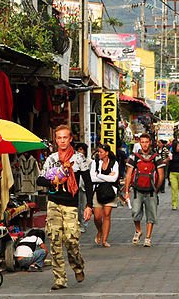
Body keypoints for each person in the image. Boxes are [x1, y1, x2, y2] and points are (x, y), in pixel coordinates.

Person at [37, 124, 93, 291]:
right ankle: (59, 278)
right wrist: (52, 181)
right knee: (54, 240)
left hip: (71, 204)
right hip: (54, 202)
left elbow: (88, 182)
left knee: (71, 240)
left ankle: (78, 266)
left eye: (65, 138)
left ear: (70, 139)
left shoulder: (78, 159)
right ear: (56, 140)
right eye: (59, 138)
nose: (62, 141)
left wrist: (89, 205)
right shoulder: (51, 159)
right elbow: (40, 180)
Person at [123, 133, 165, 247]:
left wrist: (156, 188)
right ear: (140, 143)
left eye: (146, 142)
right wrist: (126, 190)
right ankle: (138, 230)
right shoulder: (134, 157)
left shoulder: (156, 157)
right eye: (142, 142)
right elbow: (128, 174)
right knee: (135, 212)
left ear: (150, 142)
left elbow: (161, 175)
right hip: (137, 190)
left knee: (151, 214)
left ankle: (148, 237)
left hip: (151, 190)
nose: (145, 144)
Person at [90, 143, 119, 247]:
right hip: (97, 190)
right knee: (97, 217)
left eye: (101, 152)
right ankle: (99, 231)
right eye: (98, 152)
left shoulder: (114, 163)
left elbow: (114, 179)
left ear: (106, 153)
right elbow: (92, 178)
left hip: (110, 191)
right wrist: (106, 176)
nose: (99, 154)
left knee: (107, 214)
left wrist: (99, 175)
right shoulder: (95, 162)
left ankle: (104, 240)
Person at [74, 143, 91, 234]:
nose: (80, 152)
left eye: (81, 149)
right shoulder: (74, 161)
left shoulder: (89, 162)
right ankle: (77, 223)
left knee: (84, 206)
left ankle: (83, 224)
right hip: (76, 187)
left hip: (84, 187)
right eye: (78, 150)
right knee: (77, 206)